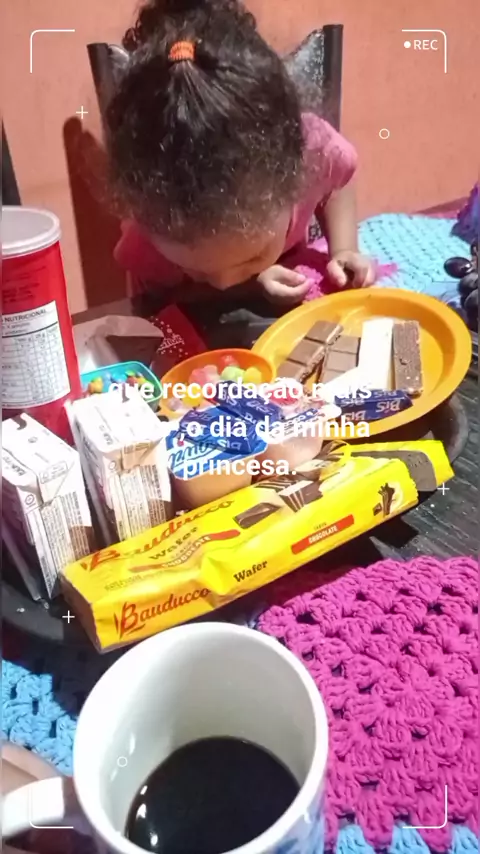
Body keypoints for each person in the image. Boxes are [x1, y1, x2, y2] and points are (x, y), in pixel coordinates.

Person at [105, 0, 375, 308]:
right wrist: (250, 283)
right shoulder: (149, 229)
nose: (225, 283)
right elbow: (153, 305)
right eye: (196, 271)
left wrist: (344, 249)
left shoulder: (312, 147)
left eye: (252, 257)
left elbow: (338, 180)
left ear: (299, 173)